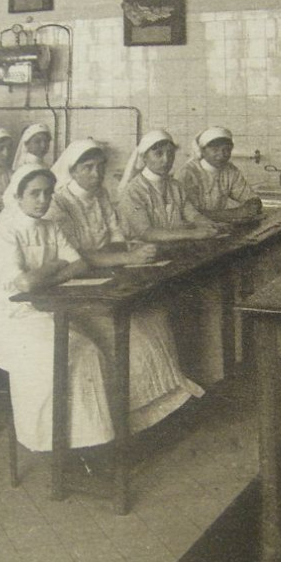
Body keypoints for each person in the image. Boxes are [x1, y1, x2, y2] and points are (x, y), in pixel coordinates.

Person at [50, 138, 205, 429]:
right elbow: (77, 255)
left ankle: (161, 409)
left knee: (153, 315)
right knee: (133, 330)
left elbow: (116, 235)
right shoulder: (60, 203)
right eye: (88, 168)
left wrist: (132, 253)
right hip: (76, 284)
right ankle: (132, 417)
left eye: (100, 167)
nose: (96, 174)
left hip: (105, 274)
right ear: (72, 170)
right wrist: (127, 255)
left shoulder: (102, 195)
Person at [0, 165, 114, 452]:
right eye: (34, 193)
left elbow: (80, 263)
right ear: (18, 197)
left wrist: (49, 275)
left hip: (34, 307)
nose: (42, 200)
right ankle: (45, 441)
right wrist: (56, 265)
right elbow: (26, 282)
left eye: (47, 193)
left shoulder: (50, 226)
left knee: (86, 349)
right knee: (47, 356)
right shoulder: (5, 232)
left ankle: (87, 440)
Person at [117, 129, 221, 242]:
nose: (166, 160)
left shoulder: (176, 186)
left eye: (170, 153)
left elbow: (192, 214)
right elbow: (146, 233)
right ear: (144, 158)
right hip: (142, 251)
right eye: (158, 154)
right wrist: (193, 233)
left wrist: (209, 224)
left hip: (172, 245)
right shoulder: (133, 191)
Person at [179, 126, 263, 226]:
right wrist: (235, 213)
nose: (222, 154)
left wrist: (251, 206)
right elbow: (190, 214)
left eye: (227, 149)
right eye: (215, 149)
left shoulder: (230, 170)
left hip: (219, 226)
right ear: (202, 150)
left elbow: (252, 199)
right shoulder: (188, 173)